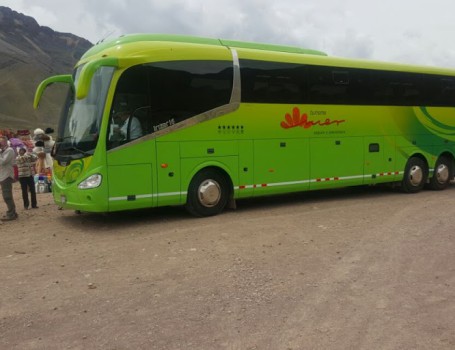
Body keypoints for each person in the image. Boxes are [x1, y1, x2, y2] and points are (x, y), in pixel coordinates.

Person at [0, 135, 18, 221]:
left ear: (5, 141)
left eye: (1, 141)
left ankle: (11, 214)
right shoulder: (2, 151)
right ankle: (13, 212)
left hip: (7, 175)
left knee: (7, 195)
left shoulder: (9, 150)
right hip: (3, 175)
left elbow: (3, 162)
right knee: (6, 194)